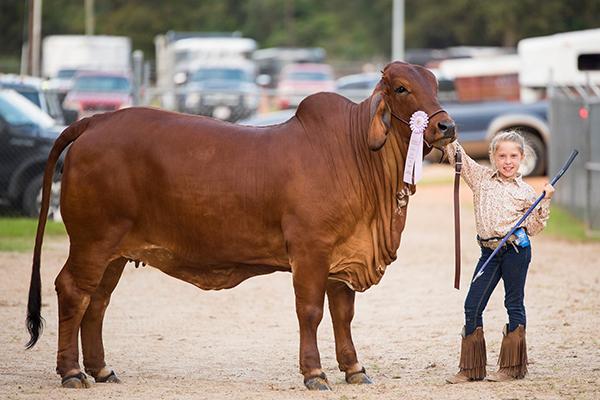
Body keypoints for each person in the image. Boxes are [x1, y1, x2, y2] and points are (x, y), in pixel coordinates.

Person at [445, 130, 555, 384]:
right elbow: (456, 153)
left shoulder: (527, 192)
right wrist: (447, 130)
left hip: (516, 251)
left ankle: (512, 367)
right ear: (493, 157)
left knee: (513, 303)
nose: (508, 161)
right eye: (502, 155)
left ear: (522, 157)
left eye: (513, 156)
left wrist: (545, 200)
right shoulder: (480, 178)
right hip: (488, 252)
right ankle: (471, 369)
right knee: (472, 305)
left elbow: (536, 227)